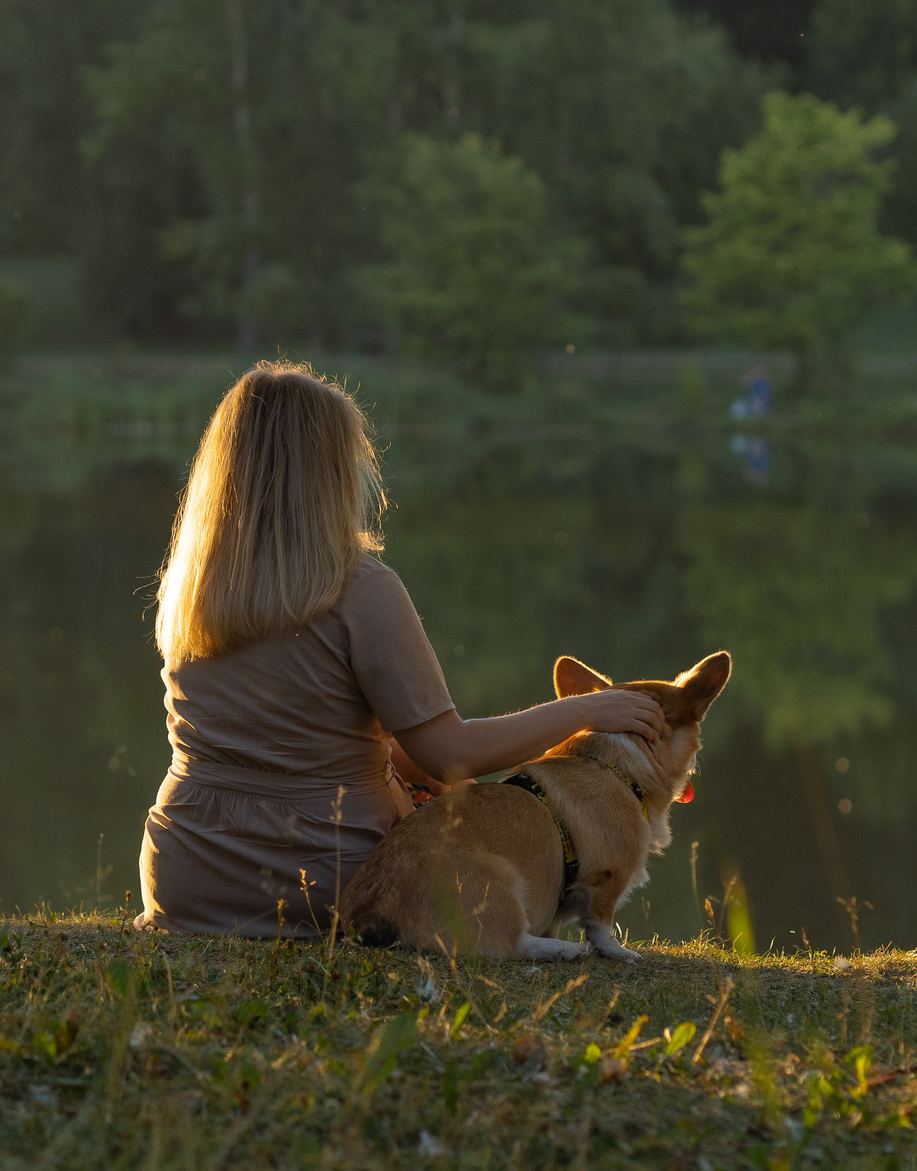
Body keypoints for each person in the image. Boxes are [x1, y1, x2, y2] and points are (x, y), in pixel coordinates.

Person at [135, 361, 661, 937]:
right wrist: (585, 710)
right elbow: (447, 753)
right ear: (332, 471)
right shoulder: (360, 588)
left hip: (182, 878)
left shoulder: (190, 587)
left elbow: (293, 744)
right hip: (323, 884)